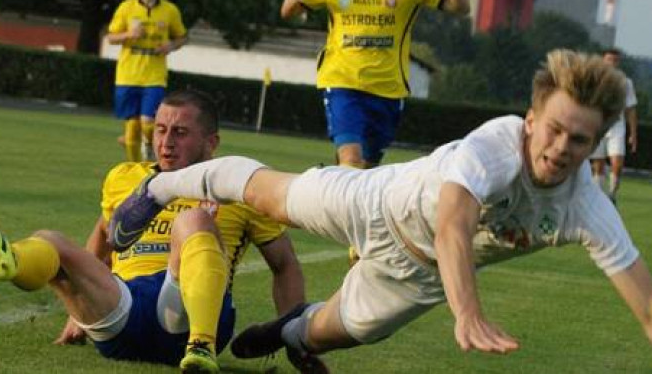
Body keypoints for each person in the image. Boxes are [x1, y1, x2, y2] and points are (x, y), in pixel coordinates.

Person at [109, 50, 652, 369]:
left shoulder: (587, 204)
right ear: (531, 119)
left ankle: (287, 331)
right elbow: (454, 226)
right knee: (267, 195)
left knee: (330, 335)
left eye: (578, 140)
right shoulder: (496, 144)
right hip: (375, 204)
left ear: (596, 143)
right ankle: (160, 189)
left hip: (419, 278)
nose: (561, 148)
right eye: (554, 129)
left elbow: (646, 308)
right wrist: (467, 311)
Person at [0, 89, 307, 373]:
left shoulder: (237, 189)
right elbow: (103, 241)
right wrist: (78, 310)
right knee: (50, 241)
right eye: (160, 130)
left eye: (180, 133)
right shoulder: (125, 177)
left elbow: (285, 264)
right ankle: (12, 261)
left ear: (211, 143)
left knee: (193, 221)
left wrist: (290, 335)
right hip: (125, 310)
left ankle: (201, 347)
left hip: (190, 314)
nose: (165, 142)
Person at [281, 0, 469, 170]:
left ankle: (331, 186)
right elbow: (287, 11)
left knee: (367, 170)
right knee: (351, 160)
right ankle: (337, 190)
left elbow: (460, 7)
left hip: (388, 90)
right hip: (342, 82)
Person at [106, 0, 188, 161]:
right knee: (132, 128)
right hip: (127, 74)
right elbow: (110, 37)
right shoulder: (126, 8)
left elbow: (183, 37)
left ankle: (151, 149)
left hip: (155, 75)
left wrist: (171, 45)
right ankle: (135, 167)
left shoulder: (170, 10)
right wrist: (128, 35)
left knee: (149, 123)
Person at [590, 47, 639, 203]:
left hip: (617, 127)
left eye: (615, 60)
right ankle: (597, 198)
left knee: (617, 163)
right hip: (598, 125)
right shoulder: (594, 79)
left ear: (618, 62)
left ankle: (612, 195)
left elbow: (631, 109)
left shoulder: (625, 82)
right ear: (603, 60)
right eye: (609, 59)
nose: (612, 63)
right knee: (598, 165)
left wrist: (633, 134)